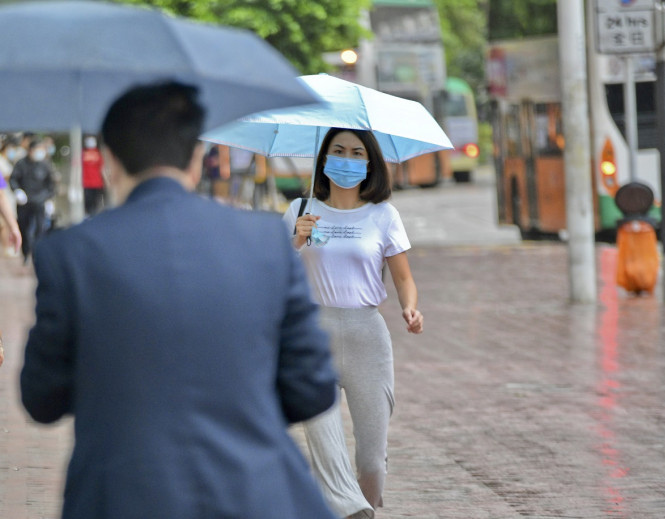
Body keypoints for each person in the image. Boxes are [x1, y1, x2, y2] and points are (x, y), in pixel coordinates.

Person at [20, 81, 340, 519]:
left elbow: (42, 398)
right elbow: (313, 389)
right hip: (257, 494)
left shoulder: (69, 254)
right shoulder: (265, 242)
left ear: (109, 160)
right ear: (195, 160)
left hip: (120, 497)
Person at [282, 127, 424, 519]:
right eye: (338, 150)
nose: (347, 158)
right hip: (313, 337)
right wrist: (294, 241)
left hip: (367, 336)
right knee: (326, 446)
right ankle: (349, 511)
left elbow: (403, 278)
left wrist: (410, 308)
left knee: (371, 462)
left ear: (369, 162)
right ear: (324, 158)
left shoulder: (384, 215)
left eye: (356, 152)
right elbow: (272, 274)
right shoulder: (299, 211)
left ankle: (359, 507)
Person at [9, 137, 57, 264]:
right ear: (30, 150)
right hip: (24, 202)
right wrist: (17, 191)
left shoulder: (45, 165)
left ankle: (37, 255)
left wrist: (49, 199)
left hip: (40, 201)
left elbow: (51, 185)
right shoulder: (21, 164)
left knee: (40, 229)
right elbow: (12, 180)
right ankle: (25, 253)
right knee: (24, 228)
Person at [82, 135, 106, 216]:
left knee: (93, 204)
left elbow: (102, 168)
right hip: (89, 183)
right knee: (92, 204)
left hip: (94, 183)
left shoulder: (97, 154)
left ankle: (91, 215)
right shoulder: (84, 154)